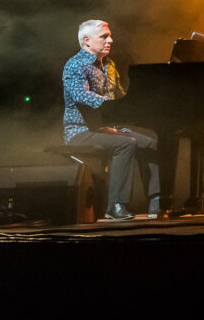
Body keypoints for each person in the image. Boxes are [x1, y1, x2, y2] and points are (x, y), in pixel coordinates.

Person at [62, 19, 160, 220]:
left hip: (107, 128)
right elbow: (81, 96)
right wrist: (109, 104)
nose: (111, 40)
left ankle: (157, 202)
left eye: (110, 35)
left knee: (150, 142)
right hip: (80, 131)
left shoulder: (109, 64)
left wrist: (141, 106)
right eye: (104, 36)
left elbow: (119, 96)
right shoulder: (74, 65)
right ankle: (115, 205)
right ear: (87, 41)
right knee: (126, 144)